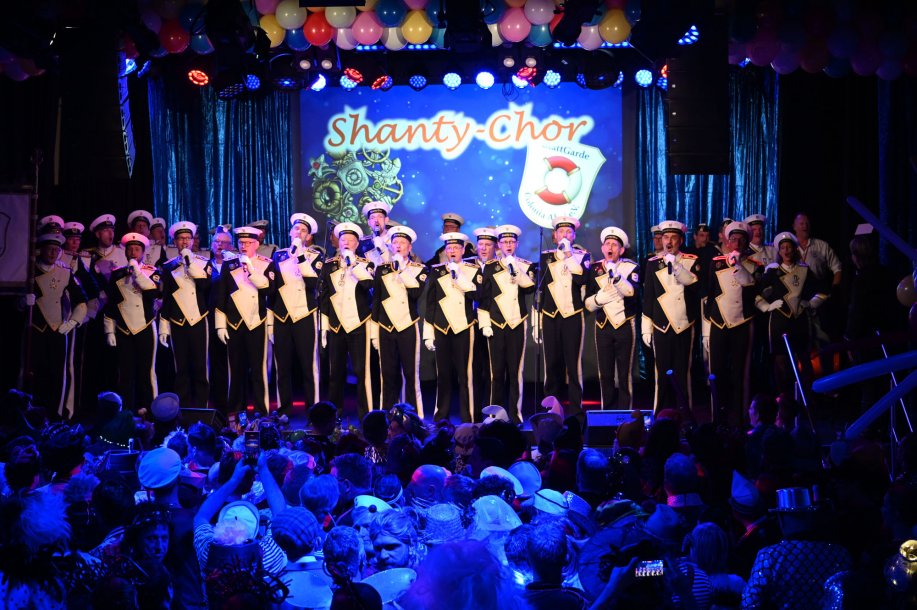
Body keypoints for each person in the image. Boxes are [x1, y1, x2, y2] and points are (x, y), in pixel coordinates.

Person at [702, 221, 763, 426]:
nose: (736, 243)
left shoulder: (754, 265)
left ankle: (740, 418)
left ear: (746, 243)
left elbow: (752, 289)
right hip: (719, 323)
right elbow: (710, 295)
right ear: (727, 242)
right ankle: (717, 418)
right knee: (716, 374)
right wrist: (707, 329)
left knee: (740, 374)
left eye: (740, 240)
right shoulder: (716, 263)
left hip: (742, 324)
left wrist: (738, 266)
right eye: (733, 239)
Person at [755, 232, 828, 397]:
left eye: (789, 247)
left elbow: (822, 291)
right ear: (779, 251)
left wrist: (810, 303)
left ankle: (807, 397)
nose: (786, 250)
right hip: (779, 322)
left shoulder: (804, 270)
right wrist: (767, 306)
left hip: (800, 322)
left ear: (794, 249)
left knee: (804, 359)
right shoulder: (772, 273)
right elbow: (756, 294)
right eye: (783, 248)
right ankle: (783, 398)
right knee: (780, 360)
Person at [24, 232, 88, 418]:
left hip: (58, 331)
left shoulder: (65, 272)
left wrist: (73, 322)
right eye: (49, 249)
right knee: (35, 373)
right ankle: (34, 415)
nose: (53, 253)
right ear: (41, 250)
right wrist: (21, 302)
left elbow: (81, 301)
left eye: (57, 250)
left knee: (57, 375)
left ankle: (55, 415)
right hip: (35, 330)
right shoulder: (30, 272)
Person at [477, 224, 536, 423]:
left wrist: (515, 269)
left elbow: (529, 288)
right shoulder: (489, 267)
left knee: (515, 372)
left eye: (511, 242)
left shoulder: (525, 266)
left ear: (517, 244)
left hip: (516, 323)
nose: (508, 245)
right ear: (499, 245)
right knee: (496, 373)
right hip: (495, 324)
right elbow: (484, 298)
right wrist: (485, 323)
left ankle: (515, 415)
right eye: (504, 242)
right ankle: (494, 415)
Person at [641, 220, 701, 413]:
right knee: (662, 376)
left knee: (683, 374)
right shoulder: (652, 264)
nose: (669, 241)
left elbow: (695, 286)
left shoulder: (691, 260)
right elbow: (648, 297)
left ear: (680, 240)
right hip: (661, 326)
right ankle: (660, 416)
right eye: (666, 237)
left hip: (684, 324)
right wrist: (646, 327)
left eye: (673, 237)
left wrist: (676, 266)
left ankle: (685, 418)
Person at [213, 226, 274, 414]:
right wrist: (220, 325)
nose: (244, 246)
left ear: (256, 244)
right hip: (234, 322)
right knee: (236, 370)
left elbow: (269, 290)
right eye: (241, 242)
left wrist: (251, 269)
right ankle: (235, 413)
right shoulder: (229, 264)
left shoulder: (266, 264)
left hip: (257, 321)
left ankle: (261, 412)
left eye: (248, 242)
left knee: (258, 370)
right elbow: (221, 296)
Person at [534, 216, 591, 413]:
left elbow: (582, 279)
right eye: (561, 232)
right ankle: (552, 409)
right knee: (551, 365)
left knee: (573, 366)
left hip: (572, 315)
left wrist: (568, 254)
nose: (565, 235)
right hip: (550, 316)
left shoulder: (582, 256)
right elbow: (539, 290)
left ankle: (576, 411)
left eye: (568, 232)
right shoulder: (545, 257)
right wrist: (535, 323)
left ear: (574, 236)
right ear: (555, 235)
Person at [424, 231, 482, 423]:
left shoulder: (473, 270)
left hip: (464, 327)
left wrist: (459, 275)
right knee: (443, 375)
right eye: (449, 248)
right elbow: (430, 304)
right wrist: (428, 333)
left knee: (465, 376)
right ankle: (441, 416)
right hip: (441, 328)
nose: (453, 251)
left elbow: (476, 295)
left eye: (457, 247)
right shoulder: (437, 271)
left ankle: (468, 416)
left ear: (463, 250)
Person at [321, 222, 376, 419]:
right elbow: (324, 298)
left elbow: (368, 285)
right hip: (336, 325)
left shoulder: (366, 264)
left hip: (359, 324)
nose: (346, 243)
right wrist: (324, 327)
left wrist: (353, 264)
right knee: (335, 373)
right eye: (343, 239)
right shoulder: (329, 265)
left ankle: (365, 415)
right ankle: (334, 415)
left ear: (357, 244)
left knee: (362, 372)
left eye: (351, 240)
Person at [370, 225, 427, 414]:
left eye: (402, 243)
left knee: (410, 374)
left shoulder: (419, 269)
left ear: (410, 248)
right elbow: (376, 301)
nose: (398, 246)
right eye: (395, 242)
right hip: (385, 327)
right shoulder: (382, 269)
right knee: (387, 374)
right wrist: (374, 332)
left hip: (407, 325)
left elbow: (415, 293)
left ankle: (414, 416)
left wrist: (401, 269)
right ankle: (387, 415)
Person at [270, 213, 324, 411]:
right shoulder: (278, 255)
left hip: (304, 314)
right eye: (296, 229)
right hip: (282, 315)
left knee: (308, 366)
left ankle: (313, 410)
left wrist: (300, 256)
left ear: (308, 236)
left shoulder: (316, 256)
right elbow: (272, 290)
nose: (298, 232)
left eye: (303, 230)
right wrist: (270, 321)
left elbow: (312, 283)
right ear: (290, 232)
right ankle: (284, 409)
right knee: (282, 366)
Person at [103, 232, 161, 413]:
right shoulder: (117, 274)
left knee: (146, 372)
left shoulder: (152, 271)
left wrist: (137, 271)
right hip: (123, 328)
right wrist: (109, 330)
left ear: (143, 252)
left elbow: (153, 293)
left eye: (137, 249)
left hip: (145, 326)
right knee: (125, 373)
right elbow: (112, 303)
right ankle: (126, 411)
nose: (133, 252)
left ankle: (151, 411)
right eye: (130, 249)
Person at [584, 226, 640, 410]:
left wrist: (616, 277)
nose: (610, 247)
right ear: (602, 248)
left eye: (614, 245)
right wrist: (599, 299)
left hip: (625, 325)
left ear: (621, 250)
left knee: (624, 374)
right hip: (603, 327)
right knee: (605, 374)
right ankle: (607, 412)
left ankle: (625, 413)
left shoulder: (631, 267)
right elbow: (588, 304)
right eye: (607, 244)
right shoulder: (594, 269)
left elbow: (631, 292)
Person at [158, 221, 211, 409]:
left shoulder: (203, 262)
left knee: (200, 368)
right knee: (181, 370)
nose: (185, 242)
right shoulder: (168, 266)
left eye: (188, 238)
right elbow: (166, 299)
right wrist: (163, 327)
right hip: (177, 322)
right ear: (175, 242)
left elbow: (205, 286)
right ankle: (183, 410)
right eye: (181, 238)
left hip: (198, 320)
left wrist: (190, 262)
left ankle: (202, 409)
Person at [471, 227, 499, 418]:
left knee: (492, 370)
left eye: (488, 244)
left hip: (492, 323)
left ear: (495, 247)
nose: (483, 248)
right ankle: (473, 412)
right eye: (480, 244)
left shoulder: (500, 266)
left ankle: (492, 411)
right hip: (470, 323)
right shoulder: (468, 265)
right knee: (474, 370)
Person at [207, 225, 233, 412]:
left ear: (231, 246)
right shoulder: (204, 265)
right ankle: (216, 402)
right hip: (209, 319)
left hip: (230, 319)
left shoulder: (236, 265)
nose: (220, 245)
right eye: (217, 241)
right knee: (214, 361)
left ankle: (232, 402)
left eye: (224, 242)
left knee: (230, 361)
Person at [357, 200, 394, 267]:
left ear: (386, 220)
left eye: (380, 217)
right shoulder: (363, 243)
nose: (376, 220)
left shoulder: (395, 241)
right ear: (369, 222)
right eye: (372, 218)